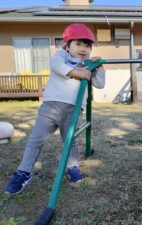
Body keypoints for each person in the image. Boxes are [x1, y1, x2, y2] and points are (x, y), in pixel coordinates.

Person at [5, 23, 106, 195]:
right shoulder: (62, 57)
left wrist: (100, 67)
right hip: (50, 107)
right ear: (67, 46)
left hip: (73, 110)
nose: (83, 49)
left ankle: (72, 167)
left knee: (70, 141)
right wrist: (78, 73)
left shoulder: (89, 65)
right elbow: (55, 64)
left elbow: (100, 84)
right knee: (36, 140)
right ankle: (24, 171)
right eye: (78, 44)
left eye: (87, 45)